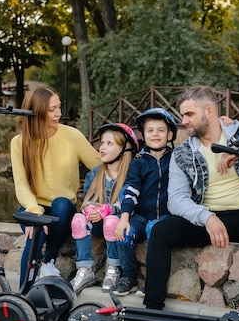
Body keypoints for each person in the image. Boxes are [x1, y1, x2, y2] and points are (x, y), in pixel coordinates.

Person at [143, 85, 239, 310]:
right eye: (183, 115)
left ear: (209, 112)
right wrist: (206, 217)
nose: (184, 120)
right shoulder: (182, 153)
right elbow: (175, 199)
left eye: (189, 114)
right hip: (209, 219)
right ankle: (152, 308)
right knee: (161, 231)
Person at [11, 84, 101, 284]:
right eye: (52, 109)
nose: (59, 113)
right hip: (34, 206)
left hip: (63, 210)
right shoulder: (19, 143)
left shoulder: (72, 136)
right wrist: (34, 212)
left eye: (59, 107)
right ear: (37, 111)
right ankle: (23, 294)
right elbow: (21, 184)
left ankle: (48, 261)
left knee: (61, 203)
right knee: (35, 235)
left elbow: (99, 165)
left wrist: (126, 156)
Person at [112, 108, 177, 296]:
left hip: (165, 215)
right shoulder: (139, 161)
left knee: (154, 231)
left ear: (170, 134)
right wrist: (124, 218)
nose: (155, 134)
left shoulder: (175, 159)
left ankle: (152, 281)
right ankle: (128, 276)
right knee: (125, 232)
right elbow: (131, 190)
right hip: (140, 215)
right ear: (144, 134)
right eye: (150, 130)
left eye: (161, 130)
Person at [70, 123, 139, 294]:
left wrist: (109, 209)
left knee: (110, 221)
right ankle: (85, 270)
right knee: (78, 220)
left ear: (125, 148)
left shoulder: (131, 174)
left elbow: (130, 203)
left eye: (109, 144)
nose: (102, 147)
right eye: (102, 143)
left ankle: (113, 268)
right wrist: (90, 210)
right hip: (97, 223)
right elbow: (87, 201)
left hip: (117, 223)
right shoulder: (94, 174)